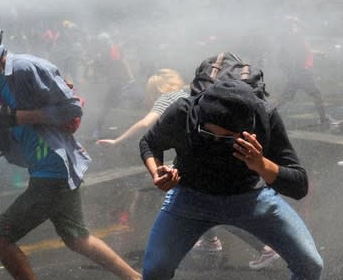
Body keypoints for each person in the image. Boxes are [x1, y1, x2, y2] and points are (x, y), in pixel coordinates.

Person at [108, 59, 343, 280]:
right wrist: (157, 172)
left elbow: (299, 184)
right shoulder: (186, 110)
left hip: (250, 198)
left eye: (226, 138)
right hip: (189, 199)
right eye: (208, 133)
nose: (215, 140)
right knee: (155, 270)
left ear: (246, 126)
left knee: (310, 262)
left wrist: (261, 164)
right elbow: (149, 142)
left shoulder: (264, 116)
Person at [0, 17, 142, 280]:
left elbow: (71, 110)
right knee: (79, 239)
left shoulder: (27, 70)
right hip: (44, 170)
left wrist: (19, 115)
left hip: (55, 168)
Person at [96, 68, 281, 265]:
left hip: (198, 163)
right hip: (215, 158)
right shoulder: (189, 93)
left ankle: (261, 246)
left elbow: (145, 124)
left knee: (213, 206)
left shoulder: (166, 99)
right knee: (211, 204)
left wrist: (118, 140)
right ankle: (211, 240)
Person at [275, 17, 338, 130]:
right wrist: (300, 70)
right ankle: (324, 119)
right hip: (302, 72)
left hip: (298, 73)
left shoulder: (296, 38)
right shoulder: (295, 37)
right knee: (316, 95)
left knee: (286, 97)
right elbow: (298, 53)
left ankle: (266, 114)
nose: (298, 26)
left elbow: (305, 51)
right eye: (295, 24)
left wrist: (317, 53)